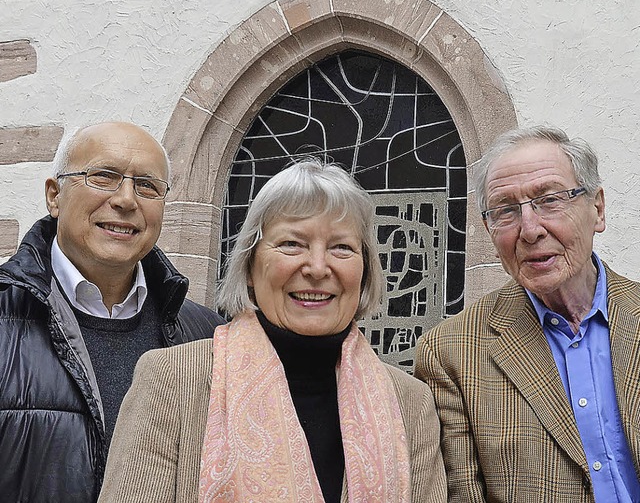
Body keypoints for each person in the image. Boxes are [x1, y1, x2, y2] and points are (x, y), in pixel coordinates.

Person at [98, 157, 447, 503]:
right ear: (250, 267)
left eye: (341, 247)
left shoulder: (410, 402)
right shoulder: (172, 380)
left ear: (366, 271)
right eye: (292, 244)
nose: (317, 267)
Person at [0, 121, 225, 503]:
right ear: (54, 196)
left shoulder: (208, 335)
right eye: (104, 177)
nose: (126, 200)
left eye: (147, 186)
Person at [414, 124, 640, 502]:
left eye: (550, 200)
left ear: (597, 209)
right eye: (505, 211)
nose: (530, 230)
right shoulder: (451, 352)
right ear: (488, 228)